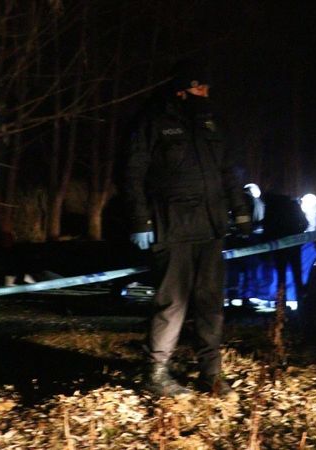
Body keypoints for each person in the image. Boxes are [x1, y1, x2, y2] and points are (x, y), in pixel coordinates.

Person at [123, 58, 251, 399]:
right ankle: (156, 373)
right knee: (172, 304)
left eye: (207, 88)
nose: (205, 93)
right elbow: (132, 174)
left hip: (210, 229)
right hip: (172, 227)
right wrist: (140, 220)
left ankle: (211, 374)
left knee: (210, 304)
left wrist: (241, 212)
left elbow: (229, 172)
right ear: (180, 91)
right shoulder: (152, 122)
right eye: (199, 88)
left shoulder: (210, 125)